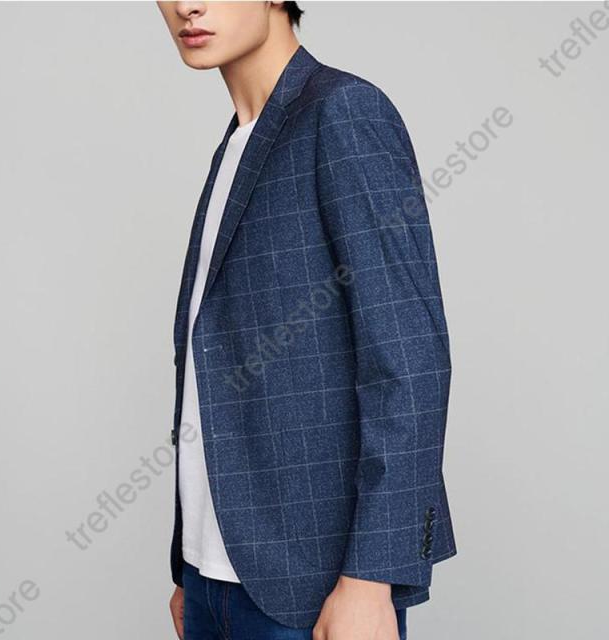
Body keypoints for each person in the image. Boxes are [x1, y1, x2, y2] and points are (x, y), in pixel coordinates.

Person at [156, 2, 457, 638]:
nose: (187, 6)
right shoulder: (235, 146)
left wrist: (371, 580)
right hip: (212, 579)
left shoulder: (342, 113)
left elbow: (408, 358)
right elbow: (212, 360)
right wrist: (191, 566)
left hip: (313, 589)